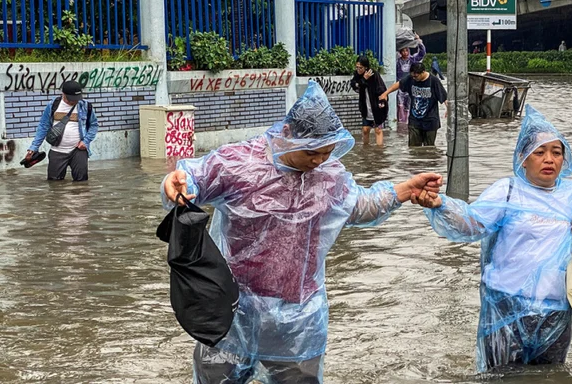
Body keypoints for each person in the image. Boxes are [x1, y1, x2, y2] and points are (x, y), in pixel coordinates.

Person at [161, 81, 442, 384]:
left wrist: (405, 190)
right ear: (287, 135)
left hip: (297, 318)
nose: (318, 161)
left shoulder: (328, 176)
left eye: (326, 153)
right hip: (231, 310)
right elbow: (192, 181)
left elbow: (359, 206)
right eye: (311, 153)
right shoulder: (238, 163)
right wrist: (175, 185)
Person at [412, 105, 572, 371]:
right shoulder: (508, 191)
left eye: (556, 152)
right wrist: (439, 205)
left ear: (565, 159)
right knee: (499, 377)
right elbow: (471, 224)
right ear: (523, 158)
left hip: (555, 309)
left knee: (549, 376)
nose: (549, 159)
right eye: (539, 152)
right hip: (505, 305)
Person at [24, 80, 98, 182]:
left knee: (82, 184)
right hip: (57, 151)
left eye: (76, 99)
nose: (74, 102)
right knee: (54, 185)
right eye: (71, 99)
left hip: (78, 150)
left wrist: (86, 141)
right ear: (63, 94)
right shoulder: (53, 105)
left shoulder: (85, 106)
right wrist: (33, 148)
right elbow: (43, 127)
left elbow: (94, 125)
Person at [380, 62, 446, 147]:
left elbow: (444, 96)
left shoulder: (433, 81)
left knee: (429, 149)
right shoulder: (411, 78)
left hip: (430, 121)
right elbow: (399, 84)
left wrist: (448, 109)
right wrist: (385, 93)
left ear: (423, 72)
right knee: (413, 148)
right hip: (414, 120)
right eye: (412, 76)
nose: (414, 78)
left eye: (416, 76)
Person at [351, 56, 388, 146]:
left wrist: (382, 102)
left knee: (378, 130)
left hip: (376, 106)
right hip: (365, 106)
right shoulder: (357, 75)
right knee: (365, 129)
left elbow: (381, 89)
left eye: (361, 68)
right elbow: (355, 85)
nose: (358, 70)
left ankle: (379, 151)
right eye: (357, 67)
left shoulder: (374, 74)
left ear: (366, 67)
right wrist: (364, 79)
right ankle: (366, 148)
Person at [396, 33, 426, 124]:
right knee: (400, 104)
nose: (405, 53)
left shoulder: (412, 60)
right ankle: (401, 123)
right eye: (403, 51)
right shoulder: (397, 61)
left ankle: (407, 123)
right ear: (400, 52)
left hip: (410, 86)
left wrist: (419, 41)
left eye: (406, 50)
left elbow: (422, 53)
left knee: (409, 106)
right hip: (400, 86)